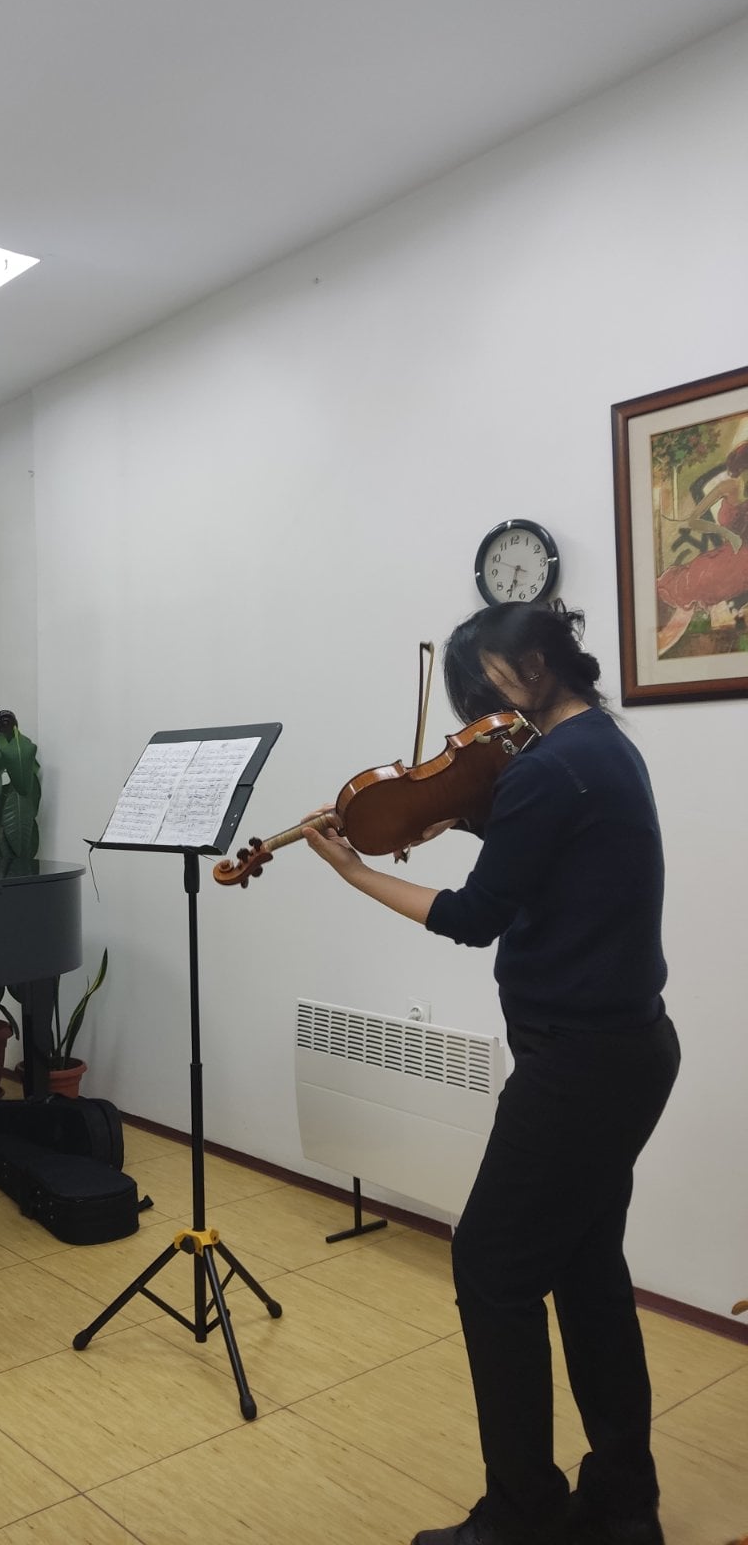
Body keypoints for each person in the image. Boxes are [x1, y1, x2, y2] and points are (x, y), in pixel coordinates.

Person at [303, 602, 680, 1545]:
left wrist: (354, 872)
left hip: (577, 1062)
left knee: (492, 1270)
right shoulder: (600, 748)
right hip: (627, 1050)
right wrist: (462, 815)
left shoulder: (548, 769)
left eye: (485, 687)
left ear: (538, 665)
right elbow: (546, 860)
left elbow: (476, 918)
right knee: (587, 1270)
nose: (478, 716)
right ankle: (623, 1506)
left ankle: (521, 1515)